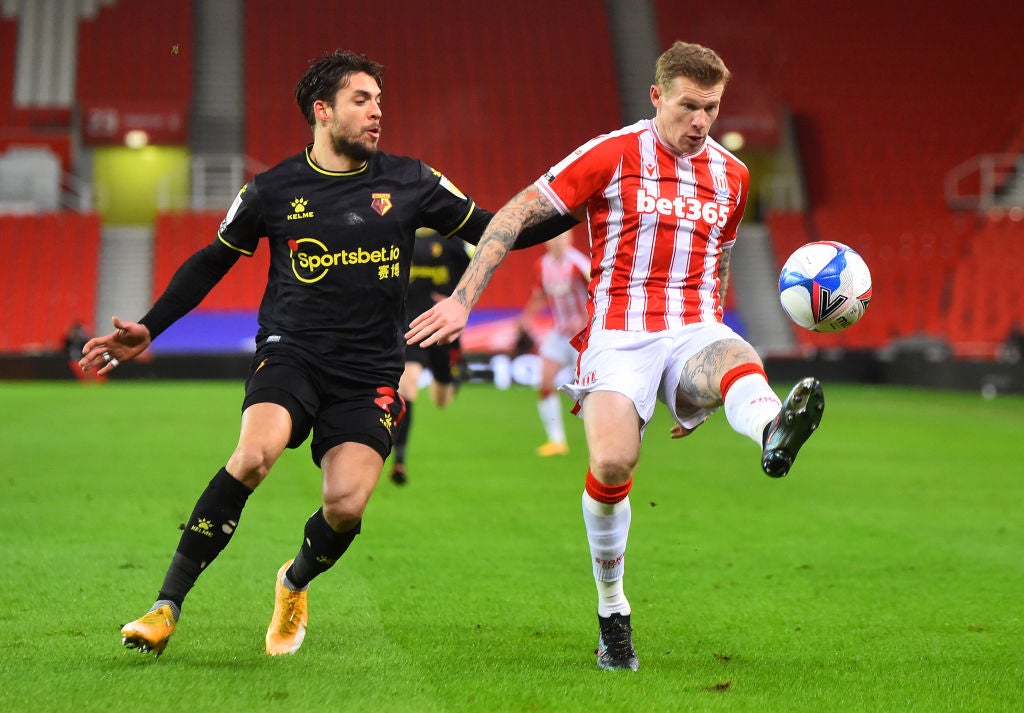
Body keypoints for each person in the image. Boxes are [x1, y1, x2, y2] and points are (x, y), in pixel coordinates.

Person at [79, 49, 576, 658]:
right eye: (362, 100)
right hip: (293, 353)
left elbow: (496, 228)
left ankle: (293, 582)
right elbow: (214, 259)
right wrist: (151, 327)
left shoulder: (410, 181)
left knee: (345, 505)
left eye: (379, 102)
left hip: (370, 370)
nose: (377, 113)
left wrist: (581, 201)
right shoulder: (272, 189)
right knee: (254, 454)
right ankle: (164, 607)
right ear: (323, 111)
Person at [407, 41, 825, 671]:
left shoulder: (733, 177)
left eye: (711, 108)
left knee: (737, 355)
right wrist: (465, 300)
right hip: (618, 333)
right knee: (610, 463)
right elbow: (514, 214)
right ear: (656, 97)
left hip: (692, 325)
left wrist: (705, 345)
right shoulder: (612, 153)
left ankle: (771, 429)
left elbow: (722, 256)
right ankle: (612, 612)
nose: (701, 122)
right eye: (688, 106)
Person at [389, 228, 473, 485]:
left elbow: (478, 269)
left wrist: (462, 299)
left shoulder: (454, 241)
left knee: (441, 400)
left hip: (443, 329)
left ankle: (454, 370)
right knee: (407, 386)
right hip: (411, 327)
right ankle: (399, 461)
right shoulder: (400, 234)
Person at [516, 230, 590, 456]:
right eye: (553, 237)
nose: (557, 241)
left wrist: (583, 319)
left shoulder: (580, 264)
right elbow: (539, 295)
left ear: (569, 239)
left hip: (585, 333)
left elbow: (600, 294)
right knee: (544, 380)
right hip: (559, 333)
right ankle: (557, 441)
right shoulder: (542, 265)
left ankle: (605, 437)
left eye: (561, 237)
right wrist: (525, 319)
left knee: (592, 390)